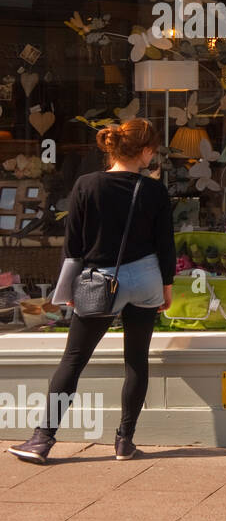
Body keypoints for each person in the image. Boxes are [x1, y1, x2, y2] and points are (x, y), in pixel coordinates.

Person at [7, 119, 174, 464]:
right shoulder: (154, 189)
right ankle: (125, 442)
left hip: (101, 280)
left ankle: (42, 440)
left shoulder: (86, 185)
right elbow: (165, 246)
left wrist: (69, 288)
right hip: (145, 278)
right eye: (152, 149)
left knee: (74, 360)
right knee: (136, 360)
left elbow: (74, 246)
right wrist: (167, 288)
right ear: (144, 151)